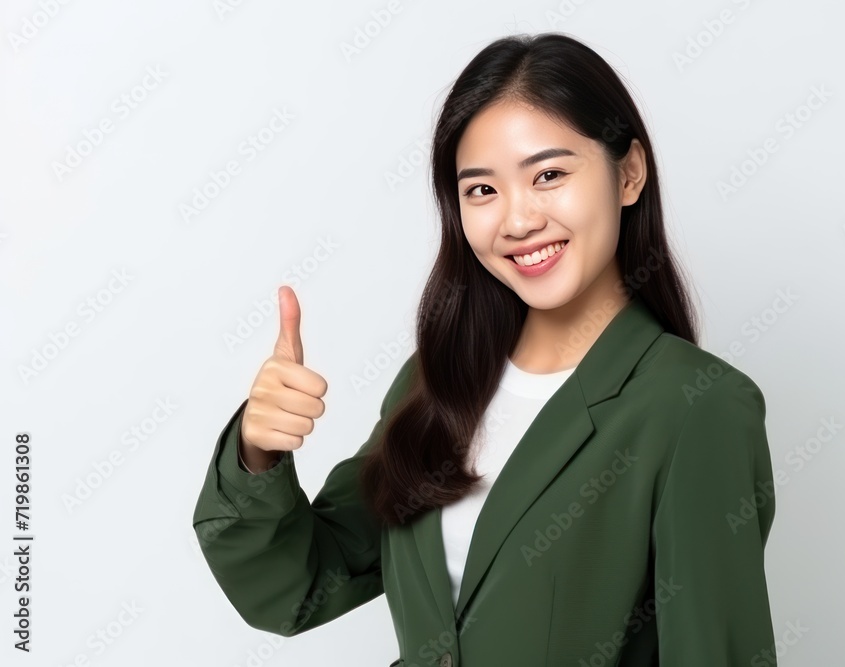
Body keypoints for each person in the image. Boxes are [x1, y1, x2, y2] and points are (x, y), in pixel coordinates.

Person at [192, 31, 778, 666]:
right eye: (482, 190)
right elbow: (299, 589)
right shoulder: (436, 381)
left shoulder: (696, 406)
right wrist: (257, 453)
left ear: (629, 172)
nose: (518, 219)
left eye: (549, 174)